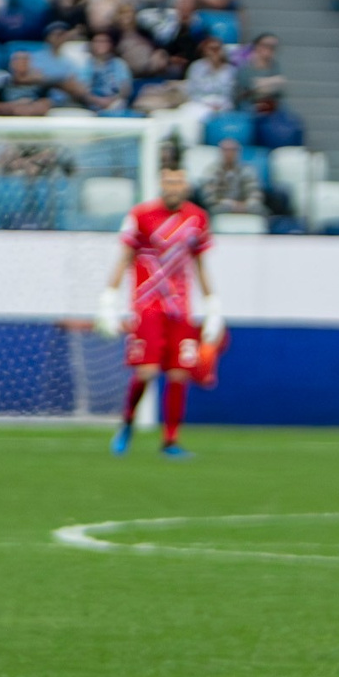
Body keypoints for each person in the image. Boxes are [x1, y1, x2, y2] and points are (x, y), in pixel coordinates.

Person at [97, 160, 221, 459]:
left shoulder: (197, 218)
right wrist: (109, 298)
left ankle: (170, 440)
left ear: (186, 185)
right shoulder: (141, 216)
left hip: (180, 308)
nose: (173, 187)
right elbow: (124, 256)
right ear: (161, 184)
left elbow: (200, 264)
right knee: (148, 371)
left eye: (179, 182)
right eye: (169, 181)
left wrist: (213, 305)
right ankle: (128, 421)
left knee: (179, 374)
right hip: (148, 305)